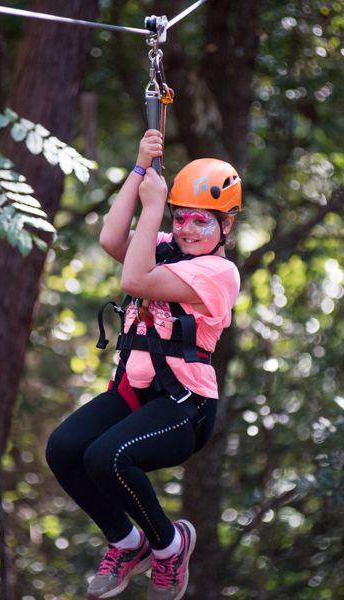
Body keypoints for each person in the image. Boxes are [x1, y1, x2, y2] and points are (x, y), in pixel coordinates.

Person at [46, 129, 241, 600]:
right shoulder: (167, 246)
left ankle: (170, 546)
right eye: (183, 218)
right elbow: (113, 239)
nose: (189, 230)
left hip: (183, 406)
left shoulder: (217, 272)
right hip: (134, 394)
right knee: (64, 448)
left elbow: (136, 278)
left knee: (106, 456)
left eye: (203, 222)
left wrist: (155, 206)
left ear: (226, 227)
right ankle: (127, 542)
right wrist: (139, 170)